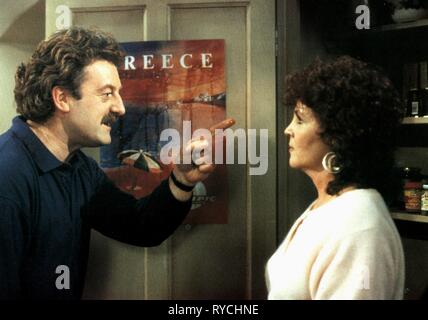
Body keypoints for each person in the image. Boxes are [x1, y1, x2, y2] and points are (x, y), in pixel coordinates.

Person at [0, 27, 214, 299]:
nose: (120, 108)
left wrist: (182, 180)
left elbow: (140, 225)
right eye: (107, 93)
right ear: (62, 98)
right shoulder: (6, 177)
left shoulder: (78, 168)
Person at [266, 56, 405, 299]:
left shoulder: (358, 225)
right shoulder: (328, 205)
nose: (287, 129)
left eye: (300, 120)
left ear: (337, 134)